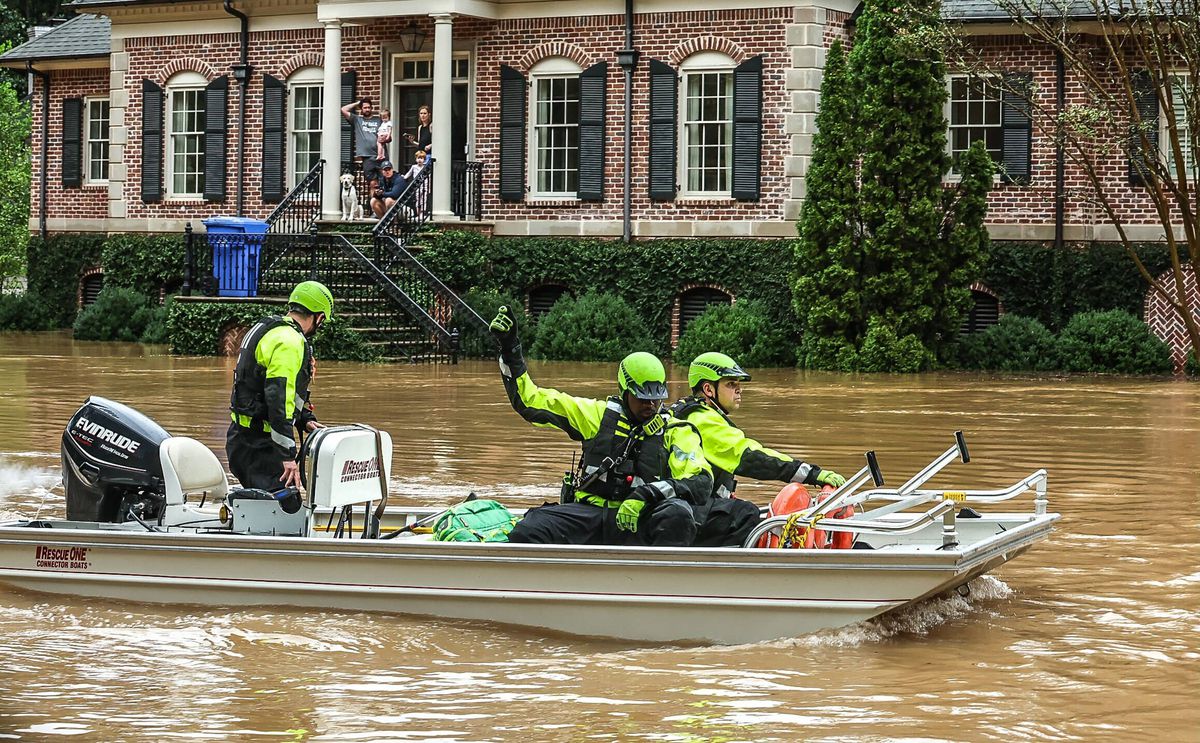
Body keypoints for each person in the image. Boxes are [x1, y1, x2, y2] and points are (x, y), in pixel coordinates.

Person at [490, 306, 714, 547]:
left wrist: (645, 495)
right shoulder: (595, 415)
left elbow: (700, 481)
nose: (650, 404)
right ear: (624, 391)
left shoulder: (676, 430)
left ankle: (657, 579)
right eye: (642, 398)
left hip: (642, 519)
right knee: (530, 529)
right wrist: (511, 349)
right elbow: (529, 401)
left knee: (678, 515)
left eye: (656, 397)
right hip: (591, 517)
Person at [669, 352, 847, 547]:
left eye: (739, 384)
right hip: (687, 515)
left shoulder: (691, 412)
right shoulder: (702, 420)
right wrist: (813, 474)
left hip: (685, 511)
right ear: (708, 389)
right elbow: (751, 457)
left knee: (740, 512)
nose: (739, 390)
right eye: (731, 384)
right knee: (747, 515)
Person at [226, 281, 334, 492]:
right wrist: (286, 455)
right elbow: (278, 397)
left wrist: (304, 420)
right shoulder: (289, 341)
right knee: (285, 508)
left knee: (275, 504)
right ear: (319, 317)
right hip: (259, 446)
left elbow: (269, 386)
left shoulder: (269, 328)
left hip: (244, 438)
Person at [341, 97, 381, 192]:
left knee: (384, 182)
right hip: (367, 156)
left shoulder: (378, 120)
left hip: (381, 156)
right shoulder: (357, 120)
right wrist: (357, 103)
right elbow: (343, 109)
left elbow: (388, 134)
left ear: (371, 108)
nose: (367, 109)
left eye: (368, 107)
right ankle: (372, 205)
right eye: (365, 107)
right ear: (361, 109)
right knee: (372, 183)